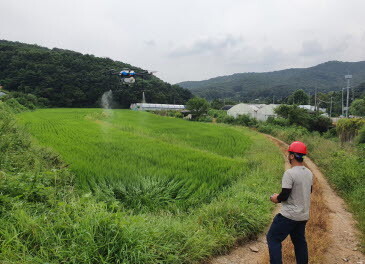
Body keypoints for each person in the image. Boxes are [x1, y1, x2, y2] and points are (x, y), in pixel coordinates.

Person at [266, 141, 313, 264]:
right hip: (303, 216)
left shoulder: (290, 173)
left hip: (289, 216)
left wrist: (275, 198)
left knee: (273, 238)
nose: (288, 156)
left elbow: (284, 196)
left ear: (292, 156)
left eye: (289, 154)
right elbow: (309, 190)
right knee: (299, 242)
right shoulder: (309, 173)